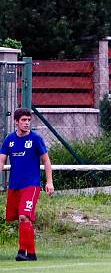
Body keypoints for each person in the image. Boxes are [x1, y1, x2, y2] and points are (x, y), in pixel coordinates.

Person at [0, 108, 55, 261]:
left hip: (31, 185)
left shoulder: (36, 139)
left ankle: (21, 251)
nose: (26, 123)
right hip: (15, 185)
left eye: (28, 120)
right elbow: (2, 160)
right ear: (16, 122)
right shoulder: (9, 140)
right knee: (22, 219)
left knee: (24, 216)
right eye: (23, 120)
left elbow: (46, 160)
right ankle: (31, 254)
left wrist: (49, 182)